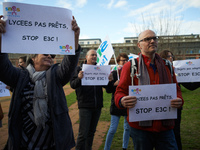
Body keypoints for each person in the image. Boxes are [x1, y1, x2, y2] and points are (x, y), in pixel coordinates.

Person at [0, 15, 81, 150]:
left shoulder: (55, 76)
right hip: (24, 143)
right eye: (45, 53)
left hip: (51, 144)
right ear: (33, 57)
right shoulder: (20, 76)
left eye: (52, 55)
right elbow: (3, 68)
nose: (50, 56)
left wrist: (74, 39)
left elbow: (69, 65)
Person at [115, 29, 184, 150]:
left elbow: (176, 89)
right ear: (139, 45)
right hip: (140, 129)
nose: (152, 41)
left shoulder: (167, 66)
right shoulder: (130, 66)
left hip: (165, 127)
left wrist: (179, 100)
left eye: (154, 38)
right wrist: (122, 100)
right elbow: (120, 91)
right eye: (147, 39)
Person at [70, 49, 112, 150]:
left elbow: (108, 89)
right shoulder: (78, 69)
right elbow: (73, 85)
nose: (94, 57)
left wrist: (110, 81)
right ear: (86, 57)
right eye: (92, 55)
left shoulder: (100, 69)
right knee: (83, 134)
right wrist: (79, 78)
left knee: (91, 132)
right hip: (85, 105)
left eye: (95, 55)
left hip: (97, 106)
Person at [104, 53, 130, 150]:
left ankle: (125, 147)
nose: (125, 62)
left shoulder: (130, 73)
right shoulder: (114, 73)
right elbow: (108, 90)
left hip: (127, 103)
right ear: (118, 61)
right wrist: (113, 83)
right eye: (123, 60)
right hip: (116, 104)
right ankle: (106, 148)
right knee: (113, 129)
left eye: (126, 60)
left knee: (127, 128)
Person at [159, 49, 182, 150]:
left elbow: (188, 86)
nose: (171, 58)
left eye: (172, 56)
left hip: (176, 105)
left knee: (176, 131)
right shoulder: (162, 70)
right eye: (169, 56)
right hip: (165, 106)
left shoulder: (176, 70)